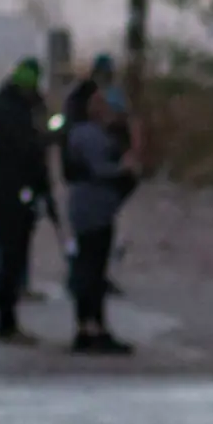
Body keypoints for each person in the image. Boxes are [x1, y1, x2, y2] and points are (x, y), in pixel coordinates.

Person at [0, 58, 52, 344]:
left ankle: (5, 307)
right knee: (12, 254)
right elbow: (33, 155)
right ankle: (6, 320)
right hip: (16, 191)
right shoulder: (21, 116)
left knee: (7, 249)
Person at [64, 85, 141, 355]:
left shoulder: (79, 133)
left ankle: (86, 327)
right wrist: (124, 168)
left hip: (88, 207)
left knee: (88, 267)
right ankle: (95, 328)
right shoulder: (92, 136)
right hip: (95, 208)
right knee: (93, 271)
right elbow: (101, 169)